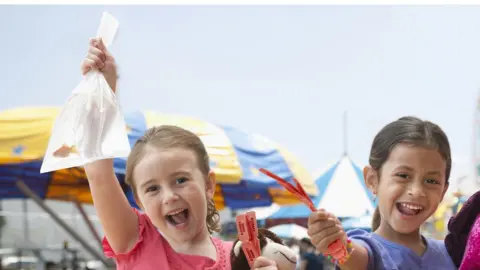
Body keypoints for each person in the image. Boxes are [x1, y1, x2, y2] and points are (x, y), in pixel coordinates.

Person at [80, 37, 278, 270]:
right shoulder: (135, 240)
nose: (169, 196)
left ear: (208, 184)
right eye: (152, 188)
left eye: (181, 180)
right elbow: (98, 171)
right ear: (139, 199)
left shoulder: (240, 259)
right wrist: (104, 89)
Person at [306, 116, 457, 269]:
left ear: (443, 190)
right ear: (373, 180)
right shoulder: (368, 249)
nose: (416, 191)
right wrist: (337, 243)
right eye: (403, 176)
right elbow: (353, 257)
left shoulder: (453, 254)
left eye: (431, 181)